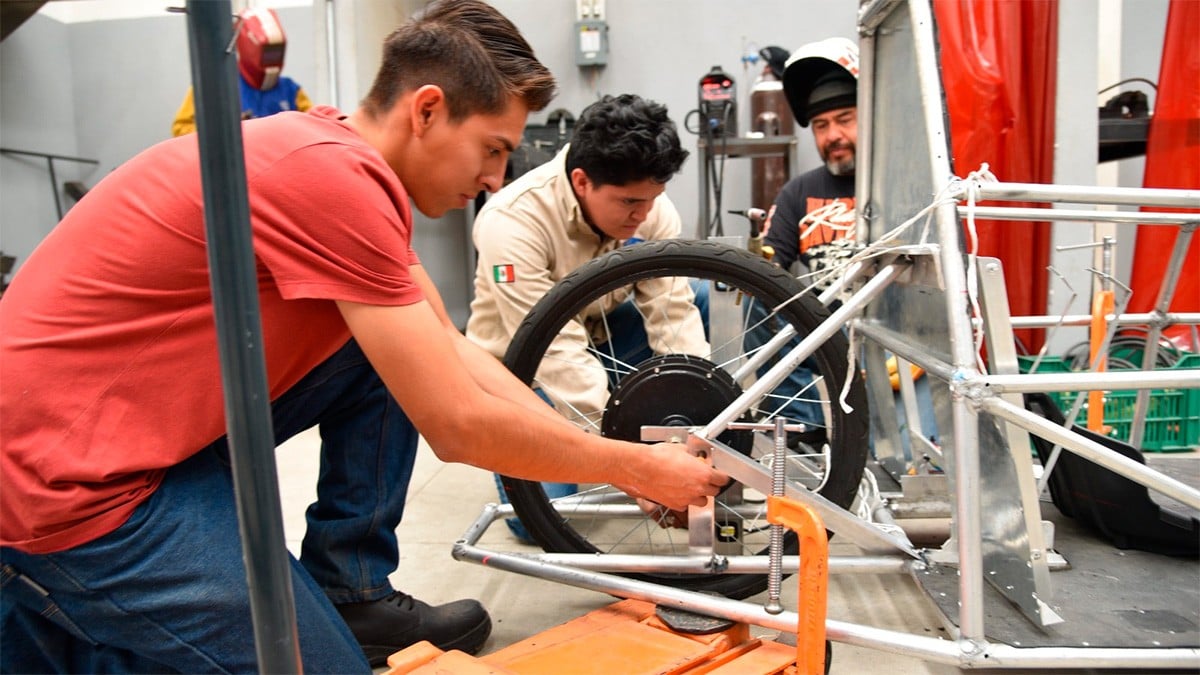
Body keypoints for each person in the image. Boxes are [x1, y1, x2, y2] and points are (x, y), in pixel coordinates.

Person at [0, 2, 729, 673]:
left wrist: (630, 462)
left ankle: (349, 588)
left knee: (386, 353)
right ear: (428, 110)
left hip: (128, 441)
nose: (493, 178)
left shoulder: (338, 161)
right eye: (492, 148)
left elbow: (452, 356)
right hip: (70, 488)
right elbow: (456, 424)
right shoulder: (331, 179)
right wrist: (632, 468)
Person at [465, 94, 707, 540]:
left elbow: (671, 312)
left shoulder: (649, 209)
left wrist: (694, 430)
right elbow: (557, 355)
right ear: (581, 181)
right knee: (541, 518)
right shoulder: (513, 222)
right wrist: (631, 468)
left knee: (699, 294)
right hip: (524, 371)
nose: (644, 215)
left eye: (654, 198)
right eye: (630, 202)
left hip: (608, 340)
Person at [748, 36, 860, 446]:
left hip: (891, 336)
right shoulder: (799, 192)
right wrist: (754, 255)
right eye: (822, 125)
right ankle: (801, 427)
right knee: (756, 293)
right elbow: (768, 262)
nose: (833, 135)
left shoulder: (898, 185)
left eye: (845, 119)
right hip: (819, 331)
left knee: (908, 459)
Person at [171, 7, 313, 137]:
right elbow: (180, 128)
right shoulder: (214, 86)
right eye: (267, 54)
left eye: (276, 53)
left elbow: (314, 127)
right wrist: (225, 131)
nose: (271, 62)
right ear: (248, 50)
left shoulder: (291, 91)